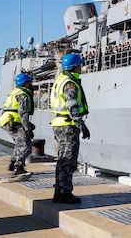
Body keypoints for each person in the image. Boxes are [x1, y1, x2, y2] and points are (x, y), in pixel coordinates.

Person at [50, 53, 90, 204]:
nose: (81, 67)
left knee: (62, 160)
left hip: (60, 124)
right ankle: (65, 193)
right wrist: (82, 125)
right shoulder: (70, 83)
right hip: (68, 126)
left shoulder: (61, 79)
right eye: (79, 65)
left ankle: (59, 192)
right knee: (68, 161)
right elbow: (72, 106)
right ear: (75, 67)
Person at [0, 73, 35, 175]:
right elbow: (22, 112)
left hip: (6, 120)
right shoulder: (23, 95)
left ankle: (12, 163)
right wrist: (27, 128)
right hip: (13, 122)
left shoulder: (14, 92)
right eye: (29, 82)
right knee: (26, 146)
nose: (31, 84)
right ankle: (18, 166)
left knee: (19, 144)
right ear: (26, 83)